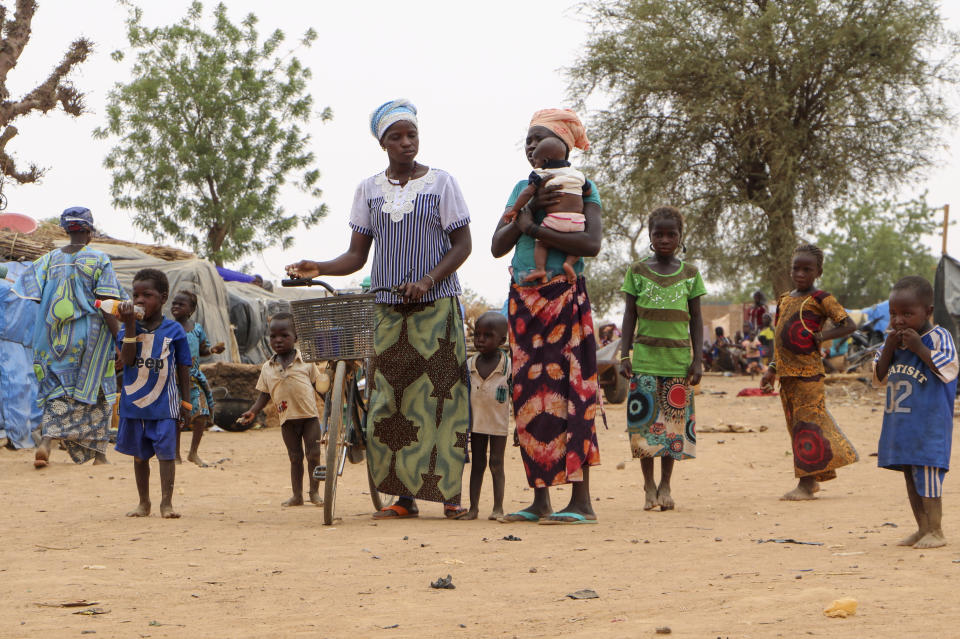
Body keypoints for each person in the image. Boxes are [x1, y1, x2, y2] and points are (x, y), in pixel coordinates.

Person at [286, 99, 472, 519]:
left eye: (411, 135)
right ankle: (402, 497)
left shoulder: (442, 183)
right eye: (396, 137)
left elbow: (463, 246)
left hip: (436, 308)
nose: (406, 143)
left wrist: (427, 279)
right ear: (382, 143)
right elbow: (356, 256)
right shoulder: (368, 190)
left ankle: (449, 496)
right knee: (391, 402)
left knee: (443, 399)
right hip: (387, 308)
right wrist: (320, 266)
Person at [491, 107, 602, 524]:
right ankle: (540, 500)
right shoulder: (524, 187)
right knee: (530, 398)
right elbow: (497, 245)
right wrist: (530, 208)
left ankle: (582, 502)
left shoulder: (584, 187)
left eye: (539, 139)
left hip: (565, 300)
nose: (531, 146)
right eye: (528, 141)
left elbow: (590, 244)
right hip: (524, 304)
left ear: (564, 145)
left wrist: (534, 229)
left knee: (574, 396)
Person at [14, 207, 125, 468]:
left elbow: (31, 292)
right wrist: (119, 340)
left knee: (57, 394)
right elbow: (107, 302)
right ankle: (99, 455)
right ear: (89, 232)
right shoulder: (99, 260)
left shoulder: (47, 260)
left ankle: (46, 441)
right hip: (90, 339)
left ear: (67, 230)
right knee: (98, 391)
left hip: (50, 340)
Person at [619, 206, 704, 511]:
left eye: (672, 234)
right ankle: (648, 486)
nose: (665, 239)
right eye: (659, 233)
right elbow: (630, 314)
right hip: (644, 361)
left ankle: (666, 484)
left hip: (678, 362)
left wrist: (698, 359)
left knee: (672, 429)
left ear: (681, 237)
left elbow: (696, 319)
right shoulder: (637, 272)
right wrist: (623, 353)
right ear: (650, 236)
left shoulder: (691, 274)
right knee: (644, 428)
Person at [761, 243, 859, 501]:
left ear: (818, 271)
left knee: (807, 426)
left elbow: (849, 324)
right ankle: (813, 479)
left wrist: (823, 336)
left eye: (807, 269)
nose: (800, 274)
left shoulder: (821, 299)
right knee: (797, 427)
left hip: (809, 374)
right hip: (787, 376)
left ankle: (805, 485)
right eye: (796, 268)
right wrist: (772, 368)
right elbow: (779, 340)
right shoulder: (784, 299)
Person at [873, 276, 956, 549]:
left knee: (929, 474)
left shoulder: (938, 337)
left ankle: (936, 530)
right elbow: (879, 376)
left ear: (928, 312)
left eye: (907, 314)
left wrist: (920, 348)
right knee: (911, 475)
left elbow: (949, 370)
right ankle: (922, 529)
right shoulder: (892, 343)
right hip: (901, 425)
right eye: (894, 314)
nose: (899, 321)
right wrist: (888, 348)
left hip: (928, 426)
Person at [115, 269, 192, 518]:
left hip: (165, 406)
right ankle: (143, 502)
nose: (139, 301)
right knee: (139, 457)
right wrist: (128, 327)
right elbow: (126, 361)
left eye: (146, 295)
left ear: (163, 298)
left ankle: (166, 503)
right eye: (135, 295)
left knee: (167, 455)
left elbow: (183, 367)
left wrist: (187, 403)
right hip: (135, 406)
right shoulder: (126, 329)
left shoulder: (175, 330)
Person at [239, 313, 327, 506]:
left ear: (296, 337)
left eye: (284, 335)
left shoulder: (306, 362)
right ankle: (297, 495)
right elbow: (264, 394)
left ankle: (314, 493)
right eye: (273, 336)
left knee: (313, 455)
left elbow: (318, 386)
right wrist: (253, 411)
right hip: (287, 420)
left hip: (309, 417)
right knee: (295, 458)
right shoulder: (267, 368)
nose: (278, 340)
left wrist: (332, 406)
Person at [501, 137, 589, 283]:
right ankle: (569, 263)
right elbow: (587, 191)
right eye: (528, 141)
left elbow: (527, 193)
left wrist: (515, 210)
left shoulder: (541, 175)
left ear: (546, 161)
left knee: (541, 243)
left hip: (555, 220)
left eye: (537, 161)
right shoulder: (578, 175)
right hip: (577, 222)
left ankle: (540, 269)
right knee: (577, 247)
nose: (532, 146)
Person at [458, 311, 511, 521]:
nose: (480, 339)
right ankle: (473, 508)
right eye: (477, 334)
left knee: (497, 463)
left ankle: (498, 507)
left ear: (502, 340)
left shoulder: (508, 368)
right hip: (476, 424)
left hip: (499, 425)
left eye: (488, 335)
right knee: (478, 464)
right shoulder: (469, 364)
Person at [170, 289, 225, 467]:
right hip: (174, 381)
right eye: (174, 303)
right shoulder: (167, 328)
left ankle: (193, 453)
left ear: (191, 310)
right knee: (176, 418)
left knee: (201, 414)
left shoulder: (197, 329)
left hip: (194, 379)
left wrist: (212, 350)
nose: (176, 306)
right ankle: (175, 454)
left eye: (181, 304)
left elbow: (202, 350)